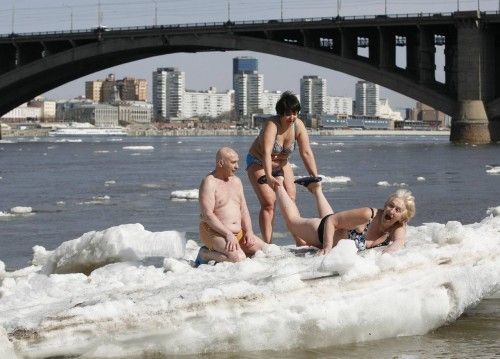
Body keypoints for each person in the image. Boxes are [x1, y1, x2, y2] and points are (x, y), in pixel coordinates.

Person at [246, 91, 320, 244]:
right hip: (258, 162)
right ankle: (268, 244)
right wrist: (270, 176)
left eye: (295, 113)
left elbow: (306, 152)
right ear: (280, 113)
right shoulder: (271, 125)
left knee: (291, 199)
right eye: (288, 114)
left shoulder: (298, 125)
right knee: (269, 203)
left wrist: (314, 176)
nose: (292, 117)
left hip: (282, 163)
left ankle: (300, 241)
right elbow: (266, 153)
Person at [274, 176, 416, 255]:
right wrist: (327, 247)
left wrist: (384, 258)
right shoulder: (369, 215)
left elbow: (398, 243)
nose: (392, 211)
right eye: (391, 206)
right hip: (320, 231)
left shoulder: (397, 226)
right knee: (292, 222)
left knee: (334, 219)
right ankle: (278, 182)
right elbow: (331, 221)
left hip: (337, 230)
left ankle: (316, 189)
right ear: (385, 205)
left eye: (397, 210)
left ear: (403, 217)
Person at [196, 147, 267, 265]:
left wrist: (249, 231)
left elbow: (243, 209)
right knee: (239, 259)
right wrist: (227, 234)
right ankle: (205, 254)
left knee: (266, 252)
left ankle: (235, 249)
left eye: (237, 162)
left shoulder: (237, 181)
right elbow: (207, 215)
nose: (237, 166)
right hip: (214, 232)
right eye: (233, 162)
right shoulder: (209, 182)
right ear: (220, 163)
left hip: (237, 233)